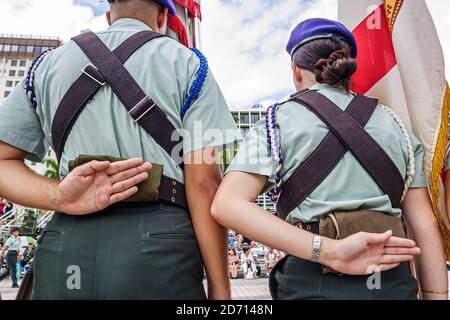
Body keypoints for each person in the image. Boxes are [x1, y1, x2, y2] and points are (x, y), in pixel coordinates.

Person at [0, 0, 237, 299]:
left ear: (109, 15)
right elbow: (204, 183)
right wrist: (220, 290)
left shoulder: (46, 66)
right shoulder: (190, 64)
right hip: (159, 245)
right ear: (164, 16)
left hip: (67, 240)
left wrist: (59, 195)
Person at [212, 18, 448, 300]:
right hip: (392, 283)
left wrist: (327, 251)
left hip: (313, 284)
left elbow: (227, 204)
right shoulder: (396, 124)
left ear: (296, 70)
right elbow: (424, 226)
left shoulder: (275, 122)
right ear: (348, 68)